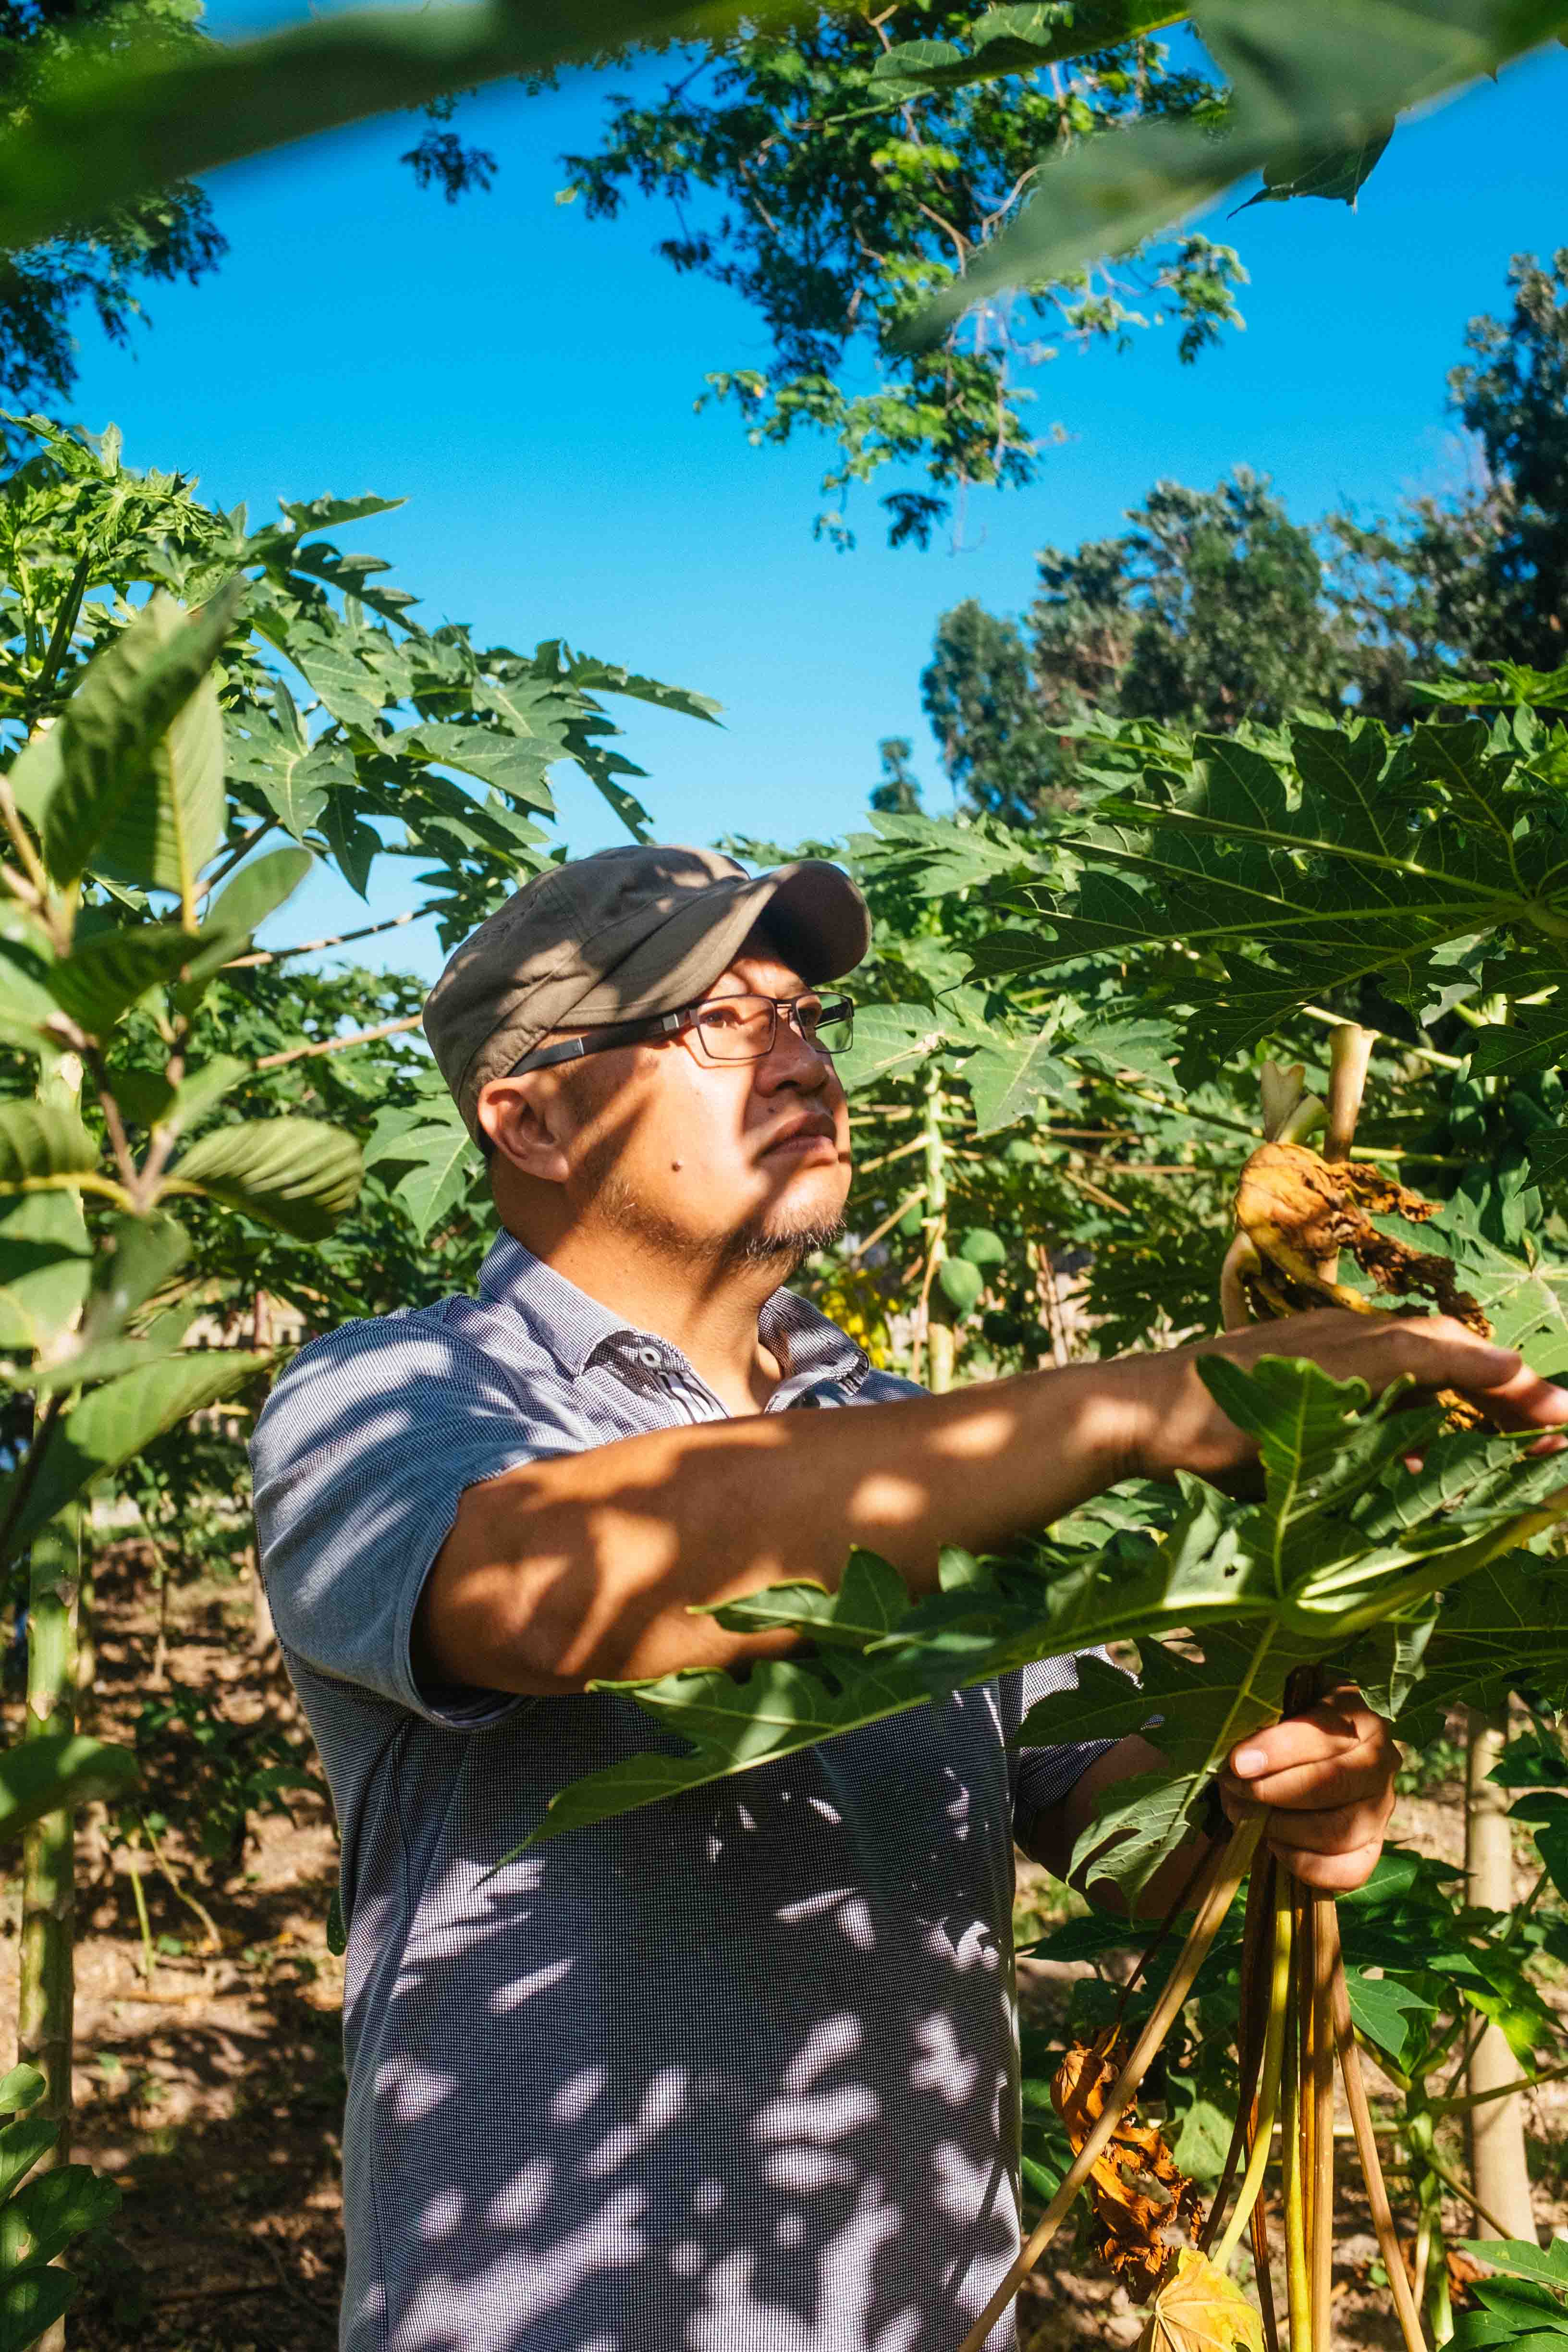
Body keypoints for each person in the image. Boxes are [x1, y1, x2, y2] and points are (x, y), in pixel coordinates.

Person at [250, 844, 1568, 2352]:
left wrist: (1262, 1783)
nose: (805, 1057)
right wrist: (1127, 1410)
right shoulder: (385, 1395)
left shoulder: (902, 1425)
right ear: (532, 1116)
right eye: (722, 1022)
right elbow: (553, 1592)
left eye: (807, 1015)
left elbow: (1114, 1836)